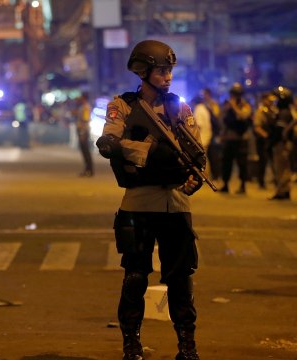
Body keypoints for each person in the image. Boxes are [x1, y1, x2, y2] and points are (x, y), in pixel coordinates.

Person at [95, 40, 203, 360]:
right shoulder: (124, 106)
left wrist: (195, 172)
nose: (167, 76)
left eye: (169, 70)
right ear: (143, 71)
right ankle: (131, 345)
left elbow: (195, 148)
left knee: (181, 279)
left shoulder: (179, 107)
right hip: (139, 202)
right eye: (160, 70)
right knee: (135, 277)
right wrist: (147, 153)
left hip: (176, 203)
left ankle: (187, 346)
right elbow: (109, 142)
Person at [220, 82, 252, 194]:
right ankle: (225, 184)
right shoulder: (227, 105)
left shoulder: (245, 105)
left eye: (236, 94)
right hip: (229, 138)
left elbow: (243, 116)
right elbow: (223, 119)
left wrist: (233, 107)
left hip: (241, 139)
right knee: (226, 163)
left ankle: (243, 185)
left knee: (242, 164)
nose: (234, 97)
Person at [268, 87, 294, 200]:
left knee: (281, 168)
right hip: (283, 143)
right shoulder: (285, 112)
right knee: (283, 168)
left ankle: (282, 191)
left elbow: (279, 131)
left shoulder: (284, 113)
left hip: (281, 144)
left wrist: (271, 143)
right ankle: (284, 190)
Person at [193, 88, 221, 180]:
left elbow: (198, 125)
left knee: (204, 158)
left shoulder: (200, 108)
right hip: (208, 135)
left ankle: (204, 176)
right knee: (207, 157)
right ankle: (207, 176)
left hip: (203, 137)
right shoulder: (204, 108)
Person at [252, 91, 278, 189]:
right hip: (263, 141)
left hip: (271, 140)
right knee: (263, 161)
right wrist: (265, 135)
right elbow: (257, 127)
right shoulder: (260, 111)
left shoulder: (273, 110)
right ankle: (261, 181)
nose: (271, 102)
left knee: (274, 161)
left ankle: (276, 180)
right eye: (268, 100)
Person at [75, 92, 94, 177]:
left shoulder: (85, 107)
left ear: (83, 98)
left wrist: (82, 132)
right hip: (83, 130)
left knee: (86, 151)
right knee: (84, 151)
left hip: (83, 130)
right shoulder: (83, 106)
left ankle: (89, 170)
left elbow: (85, 119)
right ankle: (87, 169)